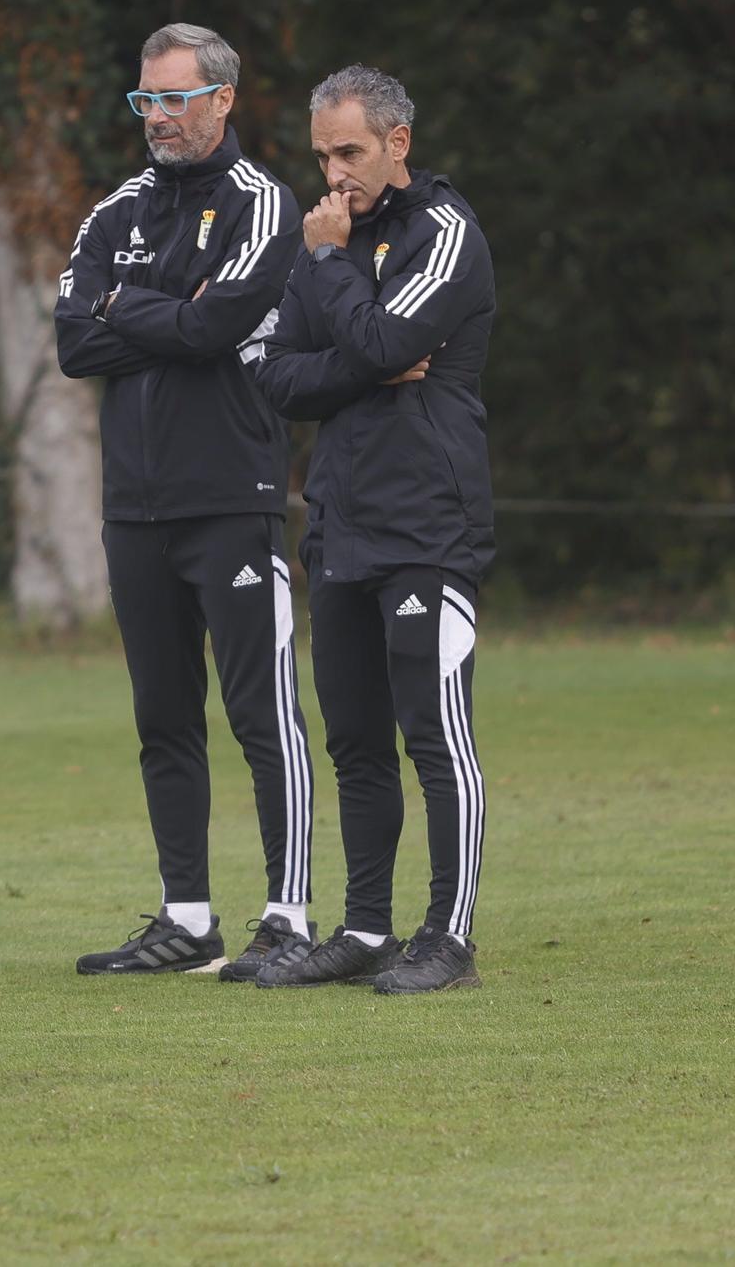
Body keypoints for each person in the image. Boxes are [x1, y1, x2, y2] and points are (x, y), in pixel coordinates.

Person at [53, 23, 318, 983]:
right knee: (164, 716)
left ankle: (287, 915)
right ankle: (186, 917)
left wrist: (132, 307)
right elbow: (74, 341)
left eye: (173, 98)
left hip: (233, 497)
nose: (157, 117)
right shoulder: (112, 211)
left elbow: (218, 327)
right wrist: (158, 312)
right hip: (135, 505)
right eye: (145, 100)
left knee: (262, 712)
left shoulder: (264, 203)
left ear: (221, 100)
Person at [250, 64, 495, 994]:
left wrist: (333, 280)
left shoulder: (444, 232)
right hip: (342, 523)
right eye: (320, 155)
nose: (334, 173)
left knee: (435, 731)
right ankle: (363, 928)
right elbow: (272, 370)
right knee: (353, 738)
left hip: (431, 522)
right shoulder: (325, 237)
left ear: (398, 143)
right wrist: (366, 356)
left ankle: (451, 935)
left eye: (349, 151)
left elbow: (389, 344)